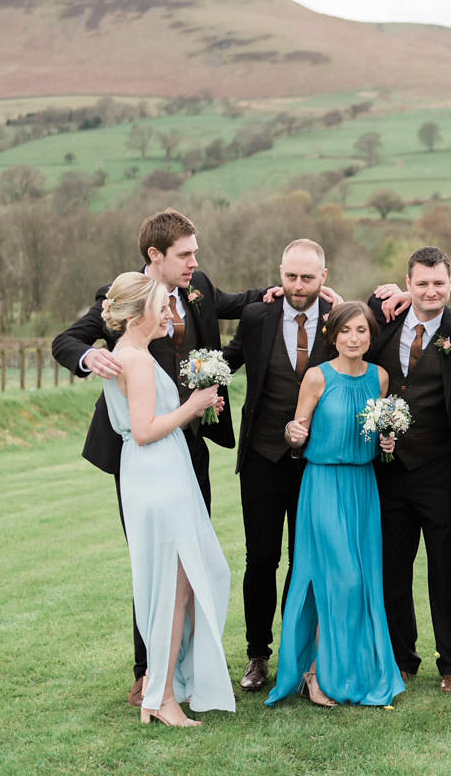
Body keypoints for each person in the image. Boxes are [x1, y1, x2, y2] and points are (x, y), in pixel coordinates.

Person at [51, 208, 266, 706]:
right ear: (156, 256)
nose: (195, 261)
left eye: (196, 253)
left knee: (190, 560)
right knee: (153, 561)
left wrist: (293, 291)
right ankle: (148, 670)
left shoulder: (200, 287)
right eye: (185, 254)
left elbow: (243, 300)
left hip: (190, 447)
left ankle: (185, 669)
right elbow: (67, 340)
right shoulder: (122, 295)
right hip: (144, 452)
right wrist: (89, 358)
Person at [98, 272, 235, 726]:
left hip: (162, 471)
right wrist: (191, 407)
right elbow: (142, 431)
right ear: (139, 314)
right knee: (173, 590)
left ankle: (167, 688)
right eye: (162, 306)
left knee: (181, 586)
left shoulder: (135, 354)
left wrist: (192, 405)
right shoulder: (134, 360)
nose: (170, 313)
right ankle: (162, 697)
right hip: (155, 473)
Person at [265, 302, 405, 707]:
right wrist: (293, 434)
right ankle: (315, 673)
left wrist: (387, 444)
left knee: (361, 583)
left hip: (363, 487)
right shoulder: (316, 377)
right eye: (346, 331)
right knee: (336, 580)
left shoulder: (379, 378)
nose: (354, 338)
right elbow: (298, 434)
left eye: (361, 331)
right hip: (323, 484)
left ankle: (348, 669)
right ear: (333, 335)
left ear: (370, 335)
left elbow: (378, 432)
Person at [221, 239, 334, 693]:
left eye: (308, 277)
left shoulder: (341, 320)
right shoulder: (257, 317)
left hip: (319, 462)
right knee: (261, 558)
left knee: (305, 560)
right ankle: (257, 654)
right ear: (280, 273)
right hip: (263, 459)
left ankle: (300, 654)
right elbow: (228, 360)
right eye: (291, 276)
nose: (298, 286)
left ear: (323, 276)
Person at [365, 247, 451, 693]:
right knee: (393, 568)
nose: (431, 291)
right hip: (389, 470)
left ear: (450, 283)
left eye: (439, 283)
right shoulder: (385, 322)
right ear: (407, 283)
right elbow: (350, 321)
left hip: (442, 468)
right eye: (422, 283)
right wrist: (378, 299)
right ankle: (400, 657)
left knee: (446, 568)